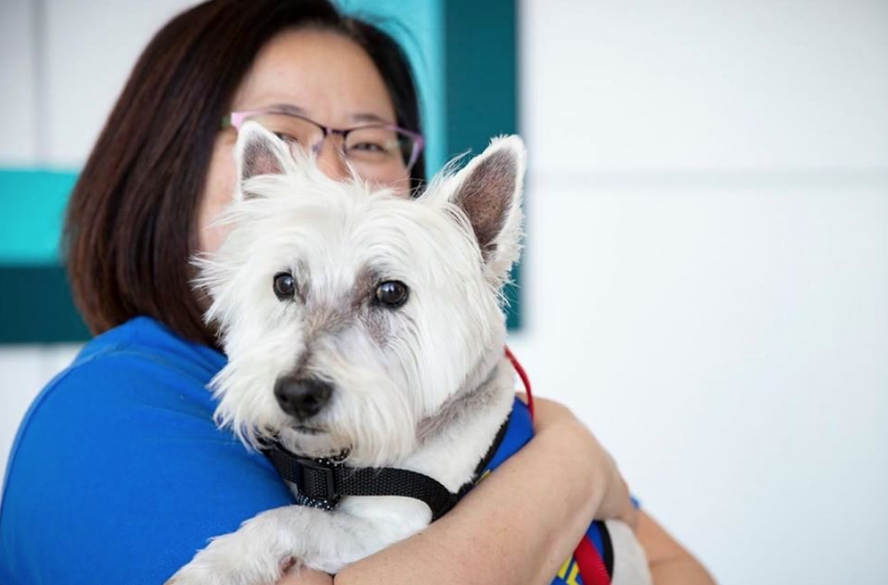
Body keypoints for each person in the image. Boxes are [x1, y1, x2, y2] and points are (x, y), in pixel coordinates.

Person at [0, 1, 715, 584]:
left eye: (369, 143)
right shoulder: (116, 409)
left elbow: (684, 574)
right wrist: (571, 467)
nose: (332, 176)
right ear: (163, 164)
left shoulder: (467, 407)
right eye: (281, 135)